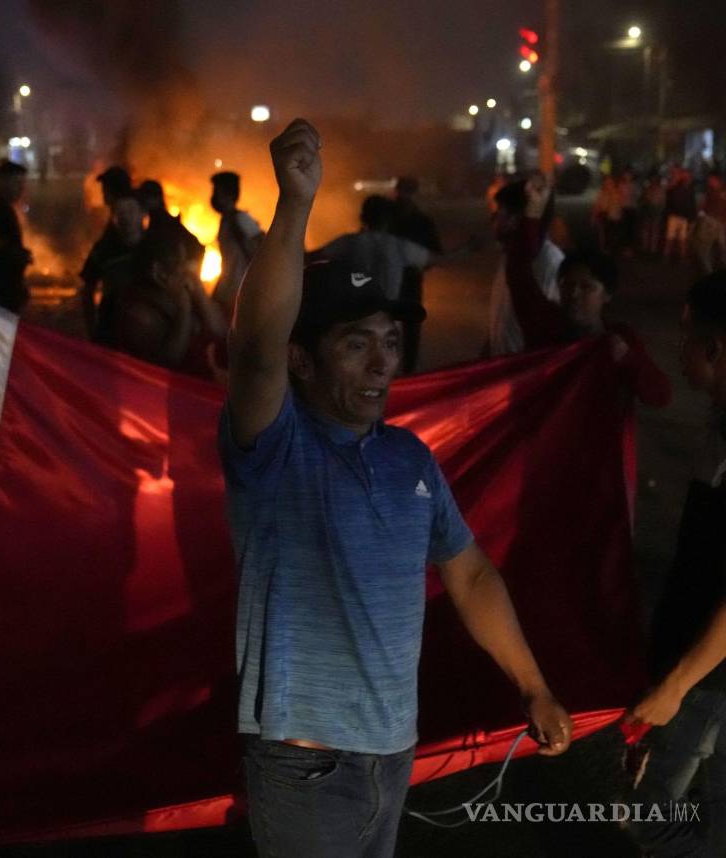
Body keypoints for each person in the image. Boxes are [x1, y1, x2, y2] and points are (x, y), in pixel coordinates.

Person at [222, 119, 572, 858]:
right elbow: (253, 352)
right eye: (356, 343)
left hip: (392, 749)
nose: (383, 361)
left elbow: (470, 573)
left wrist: (533, 683)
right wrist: (294, 205)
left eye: (389, 339)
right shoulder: (276, 451)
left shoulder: (411, 460)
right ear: (304, 363)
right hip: (306, 762)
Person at [625, 271, 726, 856]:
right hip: (705, 669)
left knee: (648, 814)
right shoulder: (719, 417)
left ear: (714, 349)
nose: (676, 348)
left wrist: (676, 685)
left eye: (687, 337)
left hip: (710, 677)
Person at [502, 176, 672, 407]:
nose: (575, 294)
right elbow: (517, 270)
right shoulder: (543, 324)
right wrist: (533, 212)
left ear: (607, 294)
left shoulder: (620, 342)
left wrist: (628, 361)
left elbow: (660, 397)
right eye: (568, 285)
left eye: (587, 287)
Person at [310, 195, 433, 374]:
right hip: (388, 319)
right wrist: (468, 249)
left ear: (363, 217)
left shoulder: (350, 243)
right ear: (389, 220)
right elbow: (437, 259)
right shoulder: (397, 246)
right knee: (386, 373)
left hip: (353, 318)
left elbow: (312, 257)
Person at [112, 235, 227, 379]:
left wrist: (200, 294)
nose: (185, 269)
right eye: (180, 263)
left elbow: (219, 331)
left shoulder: (180, 291)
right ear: (158, 271)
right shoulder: (139, 314)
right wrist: (183, 310)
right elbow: (168, 362)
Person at [487, 178, 564, 356]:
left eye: (499, 213)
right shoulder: (510, 255)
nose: (493, 219)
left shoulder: (549, 262)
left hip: (526, 373)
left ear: (516, 220)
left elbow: (548, 331)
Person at [389, 176, 443, 374]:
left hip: (402, 282)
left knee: (404, 331)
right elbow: (436, 254)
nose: (403, 197)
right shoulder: (417, 220)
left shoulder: (389, 218)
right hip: (405, 282)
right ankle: (405, 374)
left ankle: (406, 375)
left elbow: (435, 254)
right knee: (401, 332)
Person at [79, 190, 146, 342]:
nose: (125, 216)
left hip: (148, 330)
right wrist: (92, 329)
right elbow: (87, 289)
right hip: (111, 328)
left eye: (130, 210)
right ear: (113, 217)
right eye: (120, 212)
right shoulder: (103, 250)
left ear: (143, 213)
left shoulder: (154, 247)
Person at [0, 160, 32, 313]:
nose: (22, 188)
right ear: (3, 182)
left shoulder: (4, 206)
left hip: (10, 283)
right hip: (1, 285)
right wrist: (13, 252)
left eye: (23, 183)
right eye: (17, 183)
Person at [210, 170, 264, 316]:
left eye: (216, 191)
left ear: (228, 194)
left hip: (239, 292)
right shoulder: (226, 220)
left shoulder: (240, 219)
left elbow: (262, 249)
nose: (214, 196)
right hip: (228, 290)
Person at [137, 179, 204, 275]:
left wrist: (186, 272)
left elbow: (195, 246)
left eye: (147, 197)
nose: (143, 201)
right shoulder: (156, 222)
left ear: (156, 199)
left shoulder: (164, 222)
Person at [665, 168, 697, 262]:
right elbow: (668, 191)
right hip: (674, 215)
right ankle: (666, 256)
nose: (685, 176)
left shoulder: (690, 188)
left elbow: (692, 203)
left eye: (687, 174)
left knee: (682, 239)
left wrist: (692, 216)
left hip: (684, 216)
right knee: (670, 237)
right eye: (684, 174)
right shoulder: (676, 185)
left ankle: (682, 257)